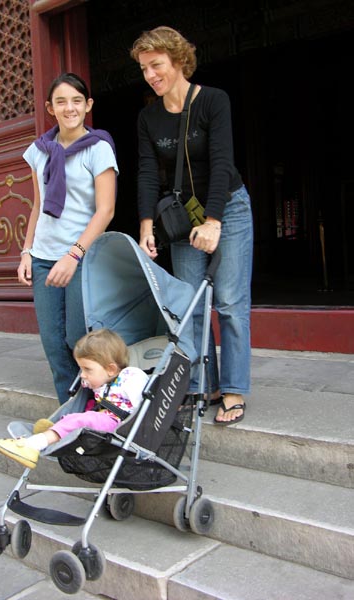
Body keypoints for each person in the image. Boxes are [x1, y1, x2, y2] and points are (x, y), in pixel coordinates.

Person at [130, 26, 253, 425]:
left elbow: (221, 162)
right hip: (183, 218)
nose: (150, 75)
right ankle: (203, 385)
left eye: (156, 65)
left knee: (230, 303)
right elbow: (148, 172)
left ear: (179, 60)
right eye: (144, 68)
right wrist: (146, 226)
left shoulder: (213, 101)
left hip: (228, 208)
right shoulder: (148, 117)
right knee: (190, 306)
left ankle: (233, 389)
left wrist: (214, 221)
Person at [18, 73, 118, 405]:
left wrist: (73, 255)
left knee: (79, 338)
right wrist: (27, 251)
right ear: (50, 108)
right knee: (52, 342)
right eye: (61, 102)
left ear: (88, 105)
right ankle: (71, 411)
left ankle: (100, 409)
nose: (69, 108)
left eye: (76, 101)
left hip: (82, 258)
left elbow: (105, 210)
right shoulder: (38, 151)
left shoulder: (99, 149)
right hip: (44, 258)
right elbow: (38, 206)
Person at [0, 329, 149, 469]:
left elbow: (143, 403)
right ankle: (50, 433)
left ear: (111, 369)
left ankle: (32, 444)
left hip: (119, 425)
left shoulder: (131, 377)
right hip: (102, 420)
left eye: (87, 369)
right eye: (81, 369)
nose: (82, 375)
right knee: (74, 417)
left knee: (79, 420)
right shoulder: (103, 382)